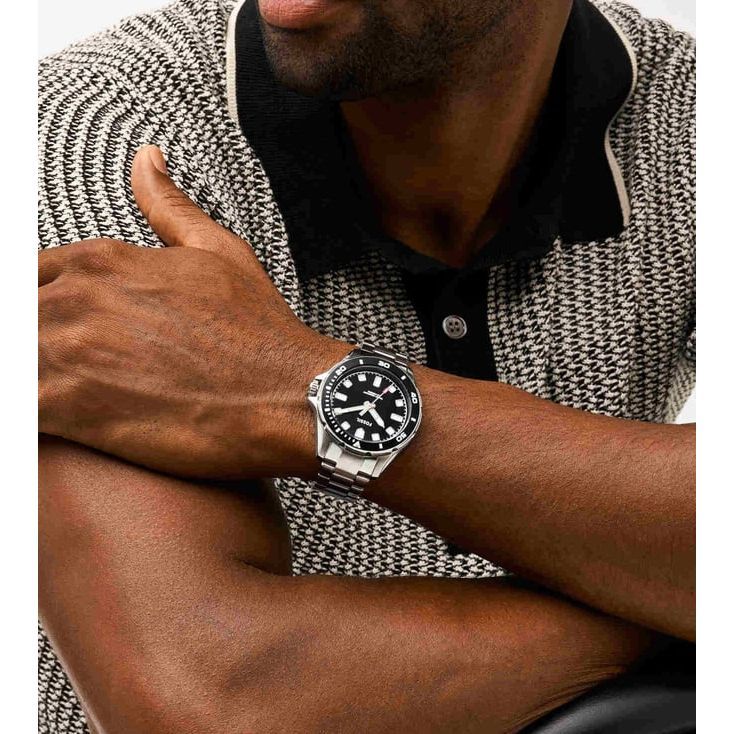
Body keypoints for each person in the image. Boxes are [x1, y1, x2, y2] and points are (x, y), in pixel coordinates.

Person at [38, 0, 695, 731]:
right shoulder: (93, 134)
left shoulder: (692, 121)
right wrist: (677, 599)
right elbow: (221, 700)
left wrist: (292, 384)